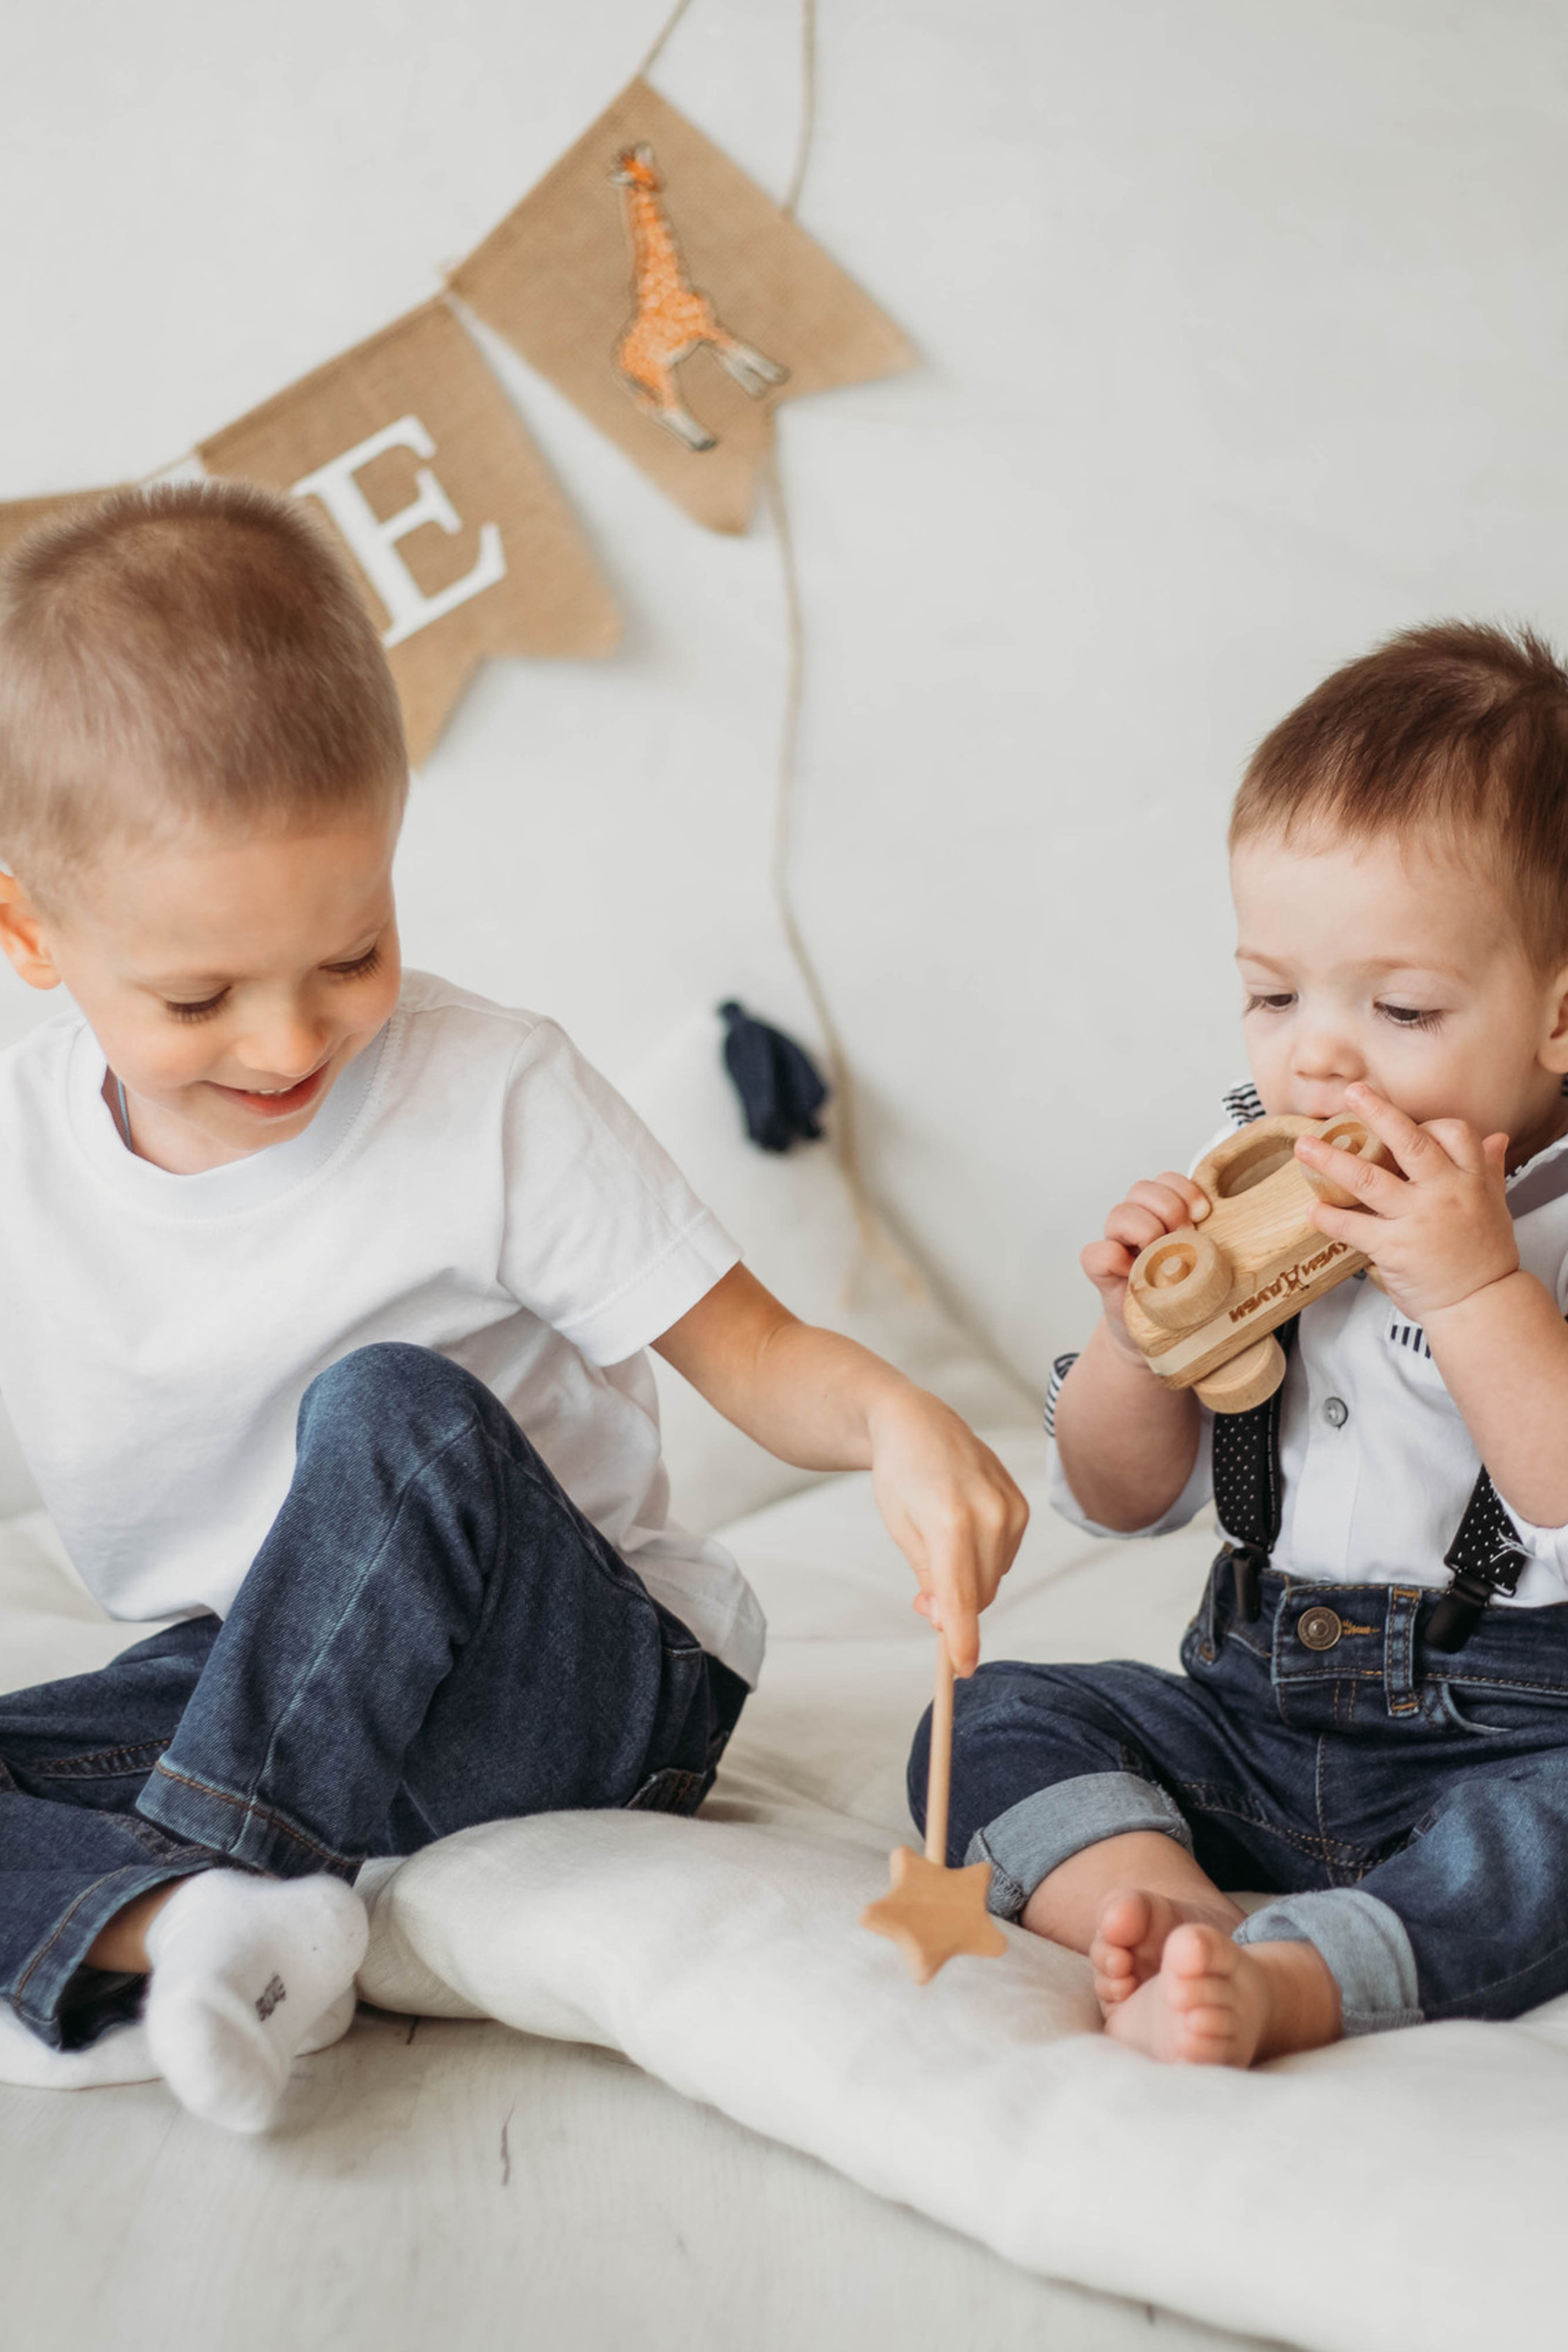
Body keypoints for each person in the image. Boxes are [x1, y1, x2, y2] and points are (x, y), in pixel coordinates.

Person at [0, 481, 1028, 2132]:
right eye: (197, 997)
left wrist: (903, 1420)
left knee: (391, 1404)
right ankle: (186, 1925)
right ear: (28, 933)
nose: (286, 1045)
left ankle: (213, 1880)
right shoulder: (23, 1159)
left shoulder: (491, 1096)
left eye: (353, 952)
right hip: (255, 1687)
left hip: (564, 1686)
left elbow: (754, 1354)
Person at [920, 621, 1568, 2066]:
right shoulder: (1252, 1188)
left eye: (1397, 1008)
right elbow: (1117, 1496)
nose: (1314, 1057)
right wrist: (1138, 1332)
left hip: (1515, 1734)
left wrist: (1470, 1288)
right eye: (1272, 996)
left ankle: (1307, 1972)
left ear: (1558, 1015)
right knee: (990, 1717)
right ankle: (1154, 1911)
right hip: (1256, 1706)